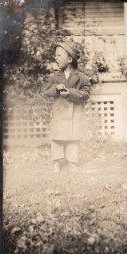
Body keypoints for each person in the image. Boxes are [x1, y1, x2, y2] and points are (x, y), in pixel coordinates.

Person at [44, 40, 91, 172]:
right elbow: (46, 91)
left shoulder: (82, 78)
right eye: (55, 55)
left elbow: (86, 94)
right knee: (57, 139)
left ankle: (72, 162)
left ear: (69, 58)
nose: (55, 58)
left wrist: (71, 92)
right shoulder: (54, 76)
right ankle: (57, 162)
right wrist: (56, 88)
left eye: (59, 55)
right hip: (59, 113)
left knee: (73, 138)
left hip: (74, 113)